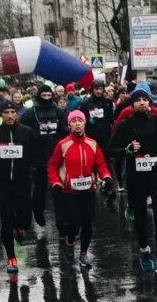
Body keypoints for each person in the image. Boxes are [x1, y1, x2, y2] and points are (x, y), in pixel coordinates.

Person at [109, 85, 157, 275]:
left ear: (149, 102)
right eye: (138, 100)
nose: (142, 103)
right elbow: (111, 149)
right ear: (132, 104)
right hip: (136, 176)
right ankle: (144, 249)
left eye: (145, 100)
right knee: (141, 215)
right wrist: (127, 149)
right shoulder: (125, 124)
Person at [45, 110, 114, 266]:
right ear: (69, 125)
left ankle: (83, 253)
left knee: (88, 223)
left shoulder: (92, 143)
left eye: (80, 120)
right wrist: (55, 182)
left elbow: (101, 164)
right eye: (73, 121)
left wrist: (106, 176)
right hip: (69, 191)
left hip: (88, 190)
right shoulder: (63, 144)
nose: (77, 123)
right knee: (74, 221)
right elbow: (52, 165)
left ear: (84, 123)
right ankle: (70, 242)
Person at [0, 104, 38, 274]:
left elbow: (35, 153)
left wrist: (32, 169)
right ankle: (11, 257)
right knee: (6, 221)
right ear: (1, 114)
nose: (10, 115)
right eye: (6, 112)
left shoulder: (27, 132)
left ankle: (19, 227)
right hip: (1, 183)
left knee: (26, 219)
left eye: (13, 112)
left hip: (22, 182)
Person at [26, 83, 67, 229]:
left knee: (59, 189)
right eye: (44, 96)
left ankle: (61, 221)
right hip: (39, 157)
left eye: (49, 96)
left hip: (56, 155)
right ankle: (37, 212)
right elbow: (24, 131)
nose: (47, 98)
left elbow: (65, 130)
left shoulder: (58, 111)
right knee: (39, 189)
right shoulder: (32, 112)